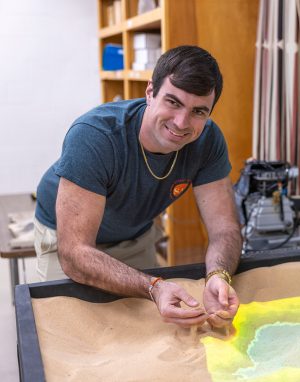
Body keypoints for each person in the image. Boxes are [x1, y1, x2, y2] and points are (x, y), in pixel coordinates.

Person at [34, 45, 242, 329]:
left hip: (135, 235)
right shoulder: (95, 136)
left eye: (198, 111)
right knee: (71, 329)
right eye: (173, 102)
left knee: (145, 329)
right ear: (150, 92)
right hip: (66, 239)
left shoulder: (208, 140)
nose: (182, 123)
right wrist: (154, 287)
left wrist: (219, 274)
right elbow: (74, 255)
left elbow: (225, 230)